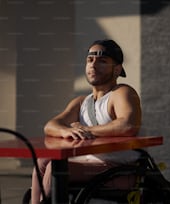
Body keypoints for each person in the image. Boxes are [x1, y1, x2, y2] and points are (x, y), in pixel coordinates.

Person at [31, 39, 142, 203]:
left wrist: (85, 129)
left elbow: (128, 125)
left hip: (120, 169)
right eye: (90, 60)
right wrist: (66, 131)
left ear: (117, 69)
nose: (93, 65)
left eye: (102, 61)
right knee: (41, 161)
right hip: (90, 162)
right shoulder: (82, 102)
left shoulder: (122, 92)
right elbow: (51, 125)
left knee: (56, 169)